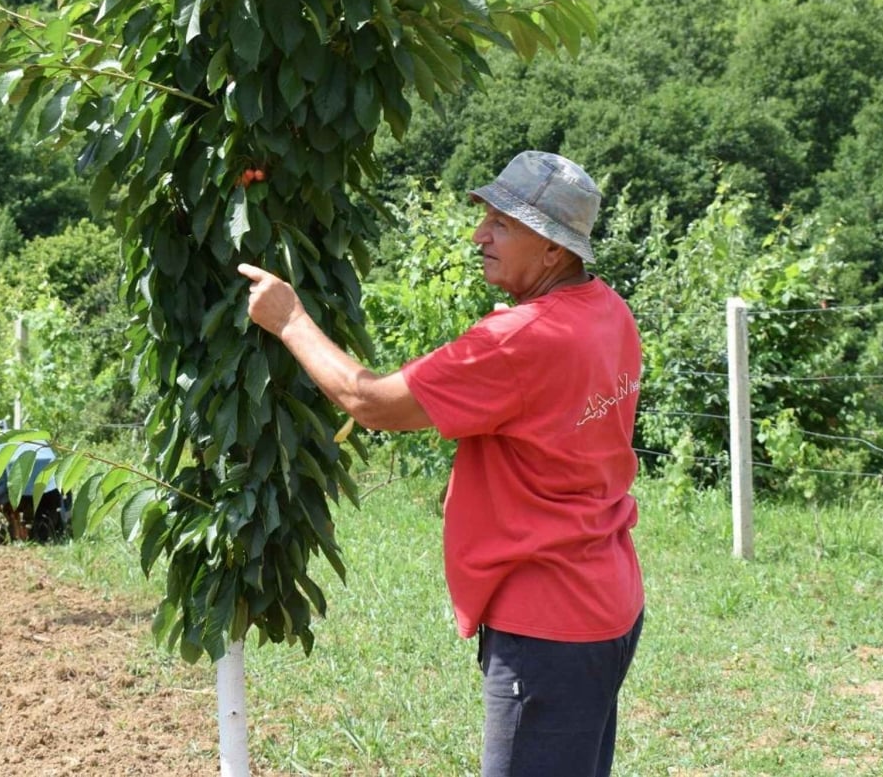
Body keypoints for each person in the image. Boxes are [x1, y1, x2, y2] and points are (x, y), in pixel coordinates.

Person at [238, 150, 644, 777]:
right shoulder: (607, 312)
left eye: (504, 224)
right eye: (486, 216)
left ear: (554, 252)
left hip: (547, 624)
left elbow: (366, 401)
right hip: (605, 602)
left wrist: (289, 319)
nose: (480, 234)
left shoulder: (517, 341)